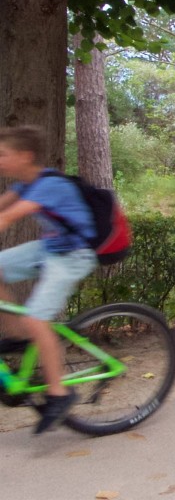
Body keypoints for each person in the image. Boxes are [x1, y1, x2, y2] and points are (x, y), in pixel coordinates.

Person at [0, 126, 97, 434]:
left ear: (25, 156)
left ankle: (59, 392)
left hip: (73, 256)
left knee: (37, 318)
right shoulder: (25, 184)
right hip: (50, 249)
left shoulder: (49, 185)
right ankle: (20, 335)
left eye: (3, 154)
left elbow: (6, 218)